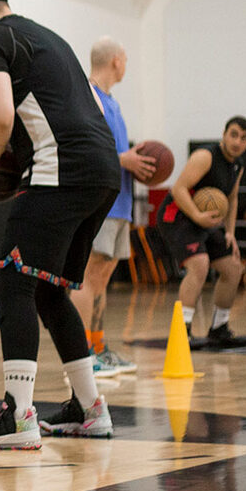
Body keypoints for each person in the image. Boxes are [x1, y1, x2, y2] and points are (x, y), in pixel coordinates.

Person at [0, 0, 120, 448]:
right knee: (48, 291)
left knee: (11, 279)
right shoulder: (50, 36)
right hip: (102, 168)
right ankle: (90, 410)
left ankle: (18, 415)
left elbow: (1, 114)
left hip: (61, 167)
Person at [69, 37, 155, 377]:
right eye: (126, 59)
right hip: (99, 202)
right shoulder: (89, 96)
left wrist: (135, 159)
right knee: (88, 277)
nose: (126, 65)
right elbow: (85, 149)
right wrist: (125, 158)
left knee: (102, 279)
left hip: (120, 202)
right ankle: (80, 353)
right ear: (116, 61)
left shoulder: (112, 102)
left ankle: (99, 348)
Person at [159, 117, 246, 348]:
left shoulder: (237, 165)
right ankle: (183, 331)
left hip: (203, 221)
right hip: (177, 216)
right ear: (223, 134)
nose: (237, 141)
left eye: (244, 138)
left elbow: (232, 198)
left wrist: (230, 232)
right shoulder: (205, 157)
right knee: (199, 265)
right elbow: (178, 188)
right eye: (233, 134)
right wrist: (197, 216)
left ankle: (219, 329)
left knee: (233, 267)